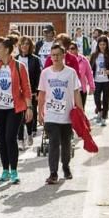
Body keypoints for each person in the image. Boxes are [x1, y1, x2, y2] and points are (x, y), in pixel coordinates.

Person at [0, 37, 33, 184]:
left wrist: (29, 107)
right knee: (2, 140)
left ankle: (14, 171)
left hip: (14, 109)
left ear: (7, 50)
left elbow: (27, 88)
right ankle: (5, 170)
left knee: (10, 138)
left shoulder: (19, 66)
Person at [38, 44, 83, 183]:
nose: (55, 57)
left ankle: (66, 166)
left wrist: (80, 112)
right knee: (53, 142)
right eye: (53, 55)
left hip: (66, 115)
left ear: (64, 56)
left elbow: (76, 93)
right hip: (51, 114)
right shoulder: (45, 73)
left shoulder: (71, 73)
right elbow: (42, 93)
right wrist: (39, 112)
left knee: (66, 143)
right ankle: (53, 173)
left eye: (58, 55)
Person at [17, 36, 42, 148]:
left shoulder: (35, 59)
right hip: (17, 93)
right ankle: (20, 140)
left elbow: (38, 76)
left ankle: (30, 133)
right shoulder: (15, 59)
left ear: (30, 46)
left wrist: (37, 91)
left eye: (27, 44)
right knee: (19, 116)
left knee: (29, 115)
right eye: (22, 44)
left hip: (31, 92)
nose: (24, 46)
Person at [89, 37, 109, 126]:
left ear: (107, 45)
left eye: (104, 44)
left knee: (106, 99)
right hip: (97, 80)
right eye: (100, 44)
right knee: (96, 98)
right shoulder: (94, 55)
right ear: (98, 45)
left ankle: (104, 117)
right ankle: (99, 112)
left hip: (107, 80)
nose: (102, 46)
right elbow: (90, 67)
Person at [65, 41, 95, 111]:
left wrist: (92, 86)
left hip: (81, 89)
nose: (70, 51)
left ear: (77, 49)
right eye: (68, 49)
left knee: (80, 111)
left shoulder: (83, 60)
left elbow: (89, 73)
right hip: (68, 89)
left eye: (72, 48)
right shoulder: (65, 60)